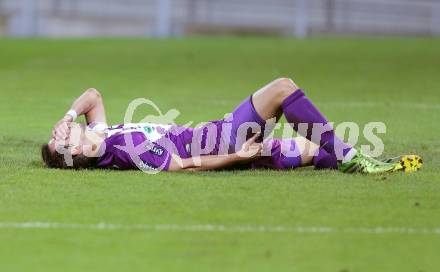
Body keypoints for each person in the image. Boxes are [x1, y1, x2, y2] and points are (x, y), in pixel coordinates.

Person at [41, 78, 422, 173]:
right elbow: (181, 166)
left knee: (310, 153)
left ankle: (362, 161)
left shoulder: (99, 133)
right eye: (61, 139)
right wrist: (235, 155)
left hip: (213, 134)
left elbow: (93, 95)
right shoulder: (120, 150)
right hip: (217, 142)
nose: (60, 132)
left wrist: (68, 117)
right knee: (283, 89)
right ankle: (354, 157)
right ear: (74, 150)